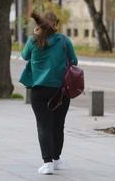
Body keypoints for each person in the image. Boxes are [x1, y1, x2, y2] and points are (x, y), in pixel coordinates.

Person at [19, 11, 78, 175]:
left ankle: (47, 163)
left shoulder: (33, 41)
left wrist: (34, 36)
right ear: (56, 25)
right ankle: (57, 159)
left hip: (39, 90)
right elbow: (74, 61)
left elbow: (24, 56)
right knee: (58, 125)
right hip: (61, 90)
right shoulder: (64, 41)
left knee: (43, 125)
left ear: (39, 26)